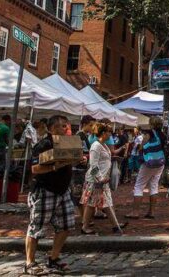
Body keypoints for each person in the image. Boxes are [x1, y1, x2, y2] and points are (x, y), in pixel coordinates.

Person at [24, 115, 81, 275]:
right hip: (44, 190)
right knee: (36, 227)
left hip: (63, 191)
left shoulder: (67, 143)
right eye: (62, 126)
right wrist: (55, 167)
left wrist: (77, 160)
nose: (65, 128)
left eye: (66, 126)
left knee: (66, 225)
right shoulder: (44, 145)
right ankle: (30, 263)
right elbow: (35, 169)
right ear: (51, 128)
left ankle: (53, 259)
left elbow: (71, 161)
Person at [80, 123, 126, 235]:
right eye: (109, 132)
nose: (111, 134)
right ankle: (115, 226)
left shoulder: (103, 145)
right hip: (96, 181)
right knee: (99, 203)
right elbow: (93, 165)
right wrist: (100, 178)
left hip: (102, 180)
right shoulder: (96, 146)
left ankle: (113, 226)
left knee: (100, 203)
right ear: (104, 133)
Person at [127, 116, 167, 218]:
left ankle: (135, 212)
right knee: (154, 186)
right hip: (159, 163)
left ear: (152, 124)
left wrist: (141, 150)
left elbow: (142, 145)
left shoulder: (149, 133)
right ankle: (151, 212)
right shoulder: (163, 135)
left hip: (148, 163)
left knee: (139, 186)